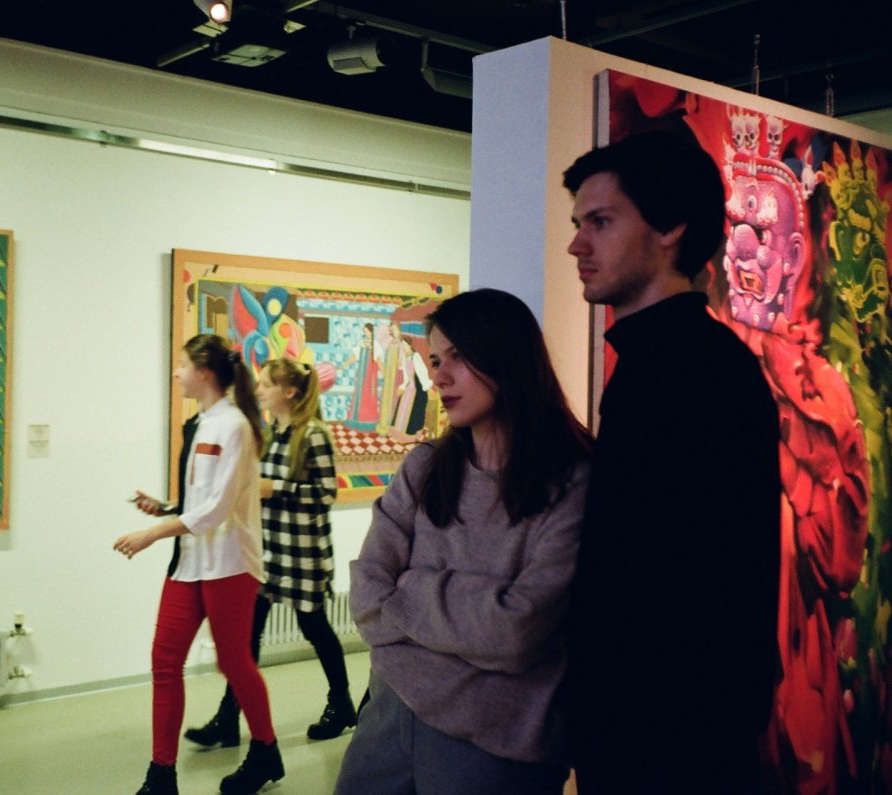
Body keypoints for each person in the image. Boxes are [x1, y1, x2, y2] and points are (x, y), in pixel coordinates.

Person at [562, 131, 781, 794]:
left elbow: (688, 586)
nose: (577, 244)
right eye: (578, 224)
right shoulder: (660, 365)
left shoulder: (694, 373)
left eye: (600, 222)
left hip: (670, 743)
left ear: (671, 228)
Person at [334, 288, 592, 794]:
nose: (439, 376)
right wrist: (467, 618)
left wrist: (408, 591)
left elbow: (517, 631)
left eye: (458, 357)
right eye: (434, 360)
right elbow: (366, 594)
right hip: (389, 714)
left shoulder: (571, 481)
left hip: (495, 741)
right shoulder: (425, 467)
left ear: (504, 354)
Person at [114, 334, 283, 795]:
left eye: (183, 365)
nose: (177, 373)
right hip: (190, 563)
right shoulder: (203, 423)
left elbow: (214, 511)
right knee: (164, 661)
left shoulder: (234, 426)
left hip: (229, 564)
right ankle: (160, 776)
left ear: (205, 372)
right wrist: (167, 506)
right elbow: (201, 500)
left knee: (234, 662)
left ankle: (266, 750)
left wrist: (151, 533)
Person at [184, 357, 356, 750]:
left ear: (289, 391)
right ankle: (230, 717)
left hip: (304, 554)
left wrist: (276, 488)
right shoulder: (271, 432)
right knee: (248, 636)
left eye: (266, 384)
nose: (258, 389)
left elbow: (327, 494)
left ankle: (341, 703)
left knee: (315, 628)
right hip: (268, 552)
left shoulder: (312, 434)